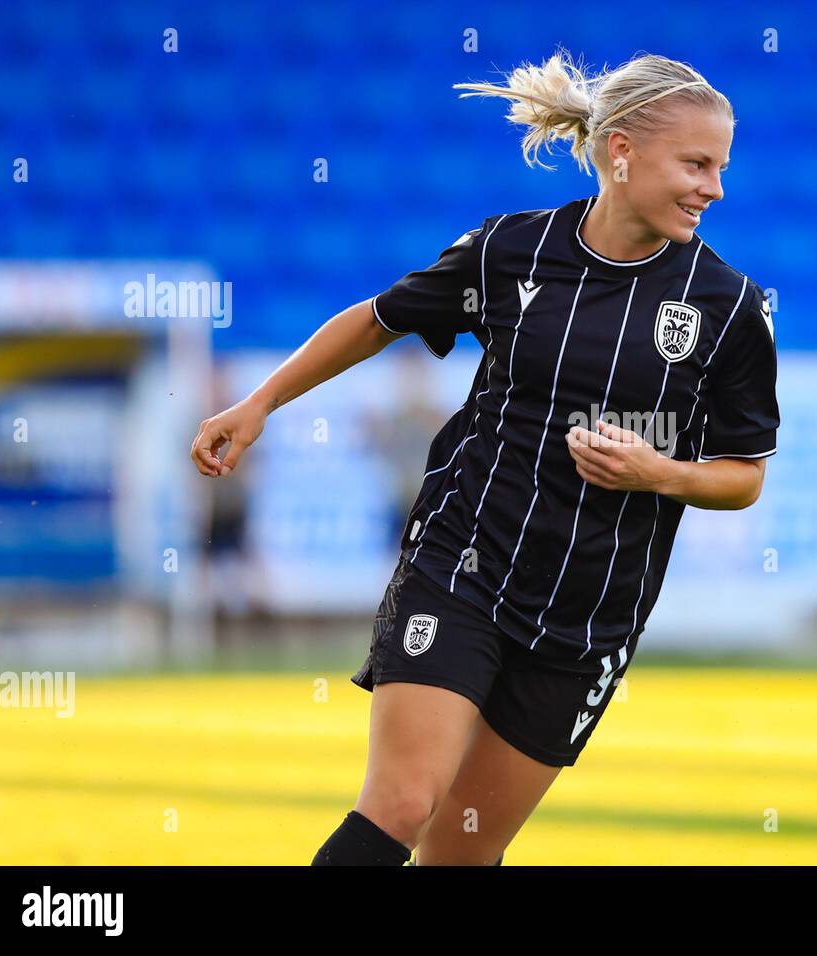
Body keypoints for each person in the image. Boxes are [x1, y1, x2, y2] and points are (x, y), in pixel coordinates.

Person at [189, 48, 779, 866]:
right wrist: (259, 403)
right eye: (696, 163)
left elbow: (744, 475)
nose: (714, 187)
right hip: (464, 561)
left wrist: (661, 474)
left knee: (458, 852)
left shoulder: (728, 308)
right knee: (399, 803)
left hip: (588, 614)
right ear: (622, 152)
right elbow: (377, 317)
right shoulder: (513, 252)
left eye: (721, 167)